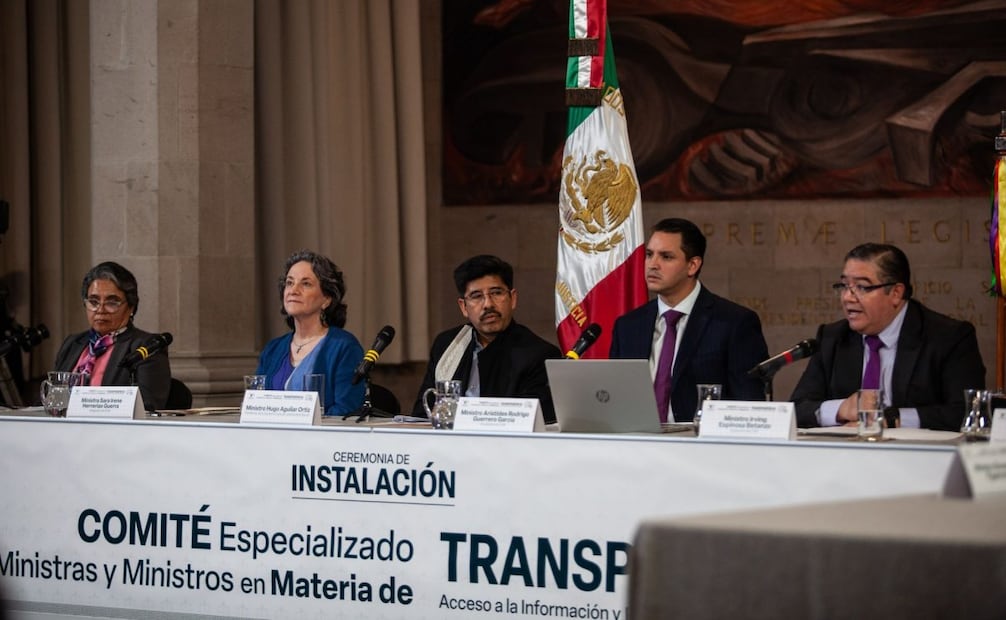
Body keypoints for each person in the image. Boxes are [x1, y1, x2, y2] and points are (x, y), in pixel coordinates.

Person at [790, 243, 985, 431]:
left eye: (861, 287)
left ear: (895, 293)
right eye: (844, 286)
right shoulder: (833, 338)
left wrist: (892, 418)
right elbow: (796, 409)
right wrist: (842, 409)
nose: (847, 297)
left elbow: (966, 412)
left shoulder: (948, 337)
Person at [610, 218, 769, 422]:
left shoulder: (734, 323)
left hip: (701, 448)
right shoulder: (628, 326)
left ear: (692, 265)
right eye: (649, 255)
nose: (653, 264)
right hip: (638, 445)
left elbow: (749, 406)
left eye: (666, 257)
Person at [411, 255, 562, 423]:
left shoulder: (538, 355)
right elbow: (422, 414)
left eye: (496, 293)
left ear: (512, 299)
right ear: (464, 307)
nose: (488, 304)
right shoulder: (447, 345)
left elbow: (532, 423)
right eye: (476, 296)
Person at [256, 250, 365, 416]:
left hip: (322, 440)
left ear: (326, 299)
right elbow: (256, 405)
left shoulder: (344, 347)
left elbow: (347, 412)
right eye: (289, 283)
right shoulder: (273, 349)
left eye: (305, 284)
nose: (293, 290)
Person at [53, 261, 171, 410]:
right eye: (93, 301)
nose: (100, 309)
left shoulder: (146, 347)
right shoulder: (72, 343)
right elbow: (53, 399)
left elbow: (148, 406)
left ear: (131, 307)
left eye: (112, 302)